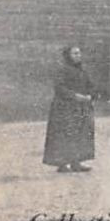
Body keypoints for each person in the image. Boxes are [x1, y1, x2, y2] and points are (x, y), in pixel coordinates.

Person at [43, 45, 96, 173]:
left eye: (79, 53)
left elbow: (90, 85)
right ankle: (61, 164)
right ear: (68, 56)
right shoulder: (62, 70)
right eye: (75, 54)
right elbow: (60, 88)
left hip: (80, 107)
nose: (78, 56)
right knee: (64, 134)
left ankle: (76, 162)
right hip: (64, 107)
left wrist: (90, 95)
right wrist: (75, 96)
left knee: (79, 133)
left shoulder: (82, 71)